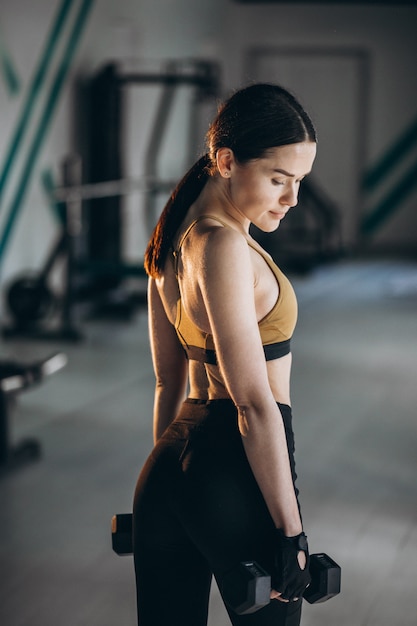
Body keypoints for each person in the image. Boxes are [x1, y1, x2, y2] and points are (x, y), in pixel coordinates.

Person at [132, 82, 317, 626]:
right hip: (237, 472)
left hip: (167, 468)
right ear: (226, 160)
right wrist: (291, 533)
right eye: (278, 179)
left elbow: (169, 384)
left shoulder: (169, 240)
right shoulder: (225, 245)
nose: (291, 199)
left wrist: (170, 487)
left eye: (299, 182)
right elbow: (253, 404)